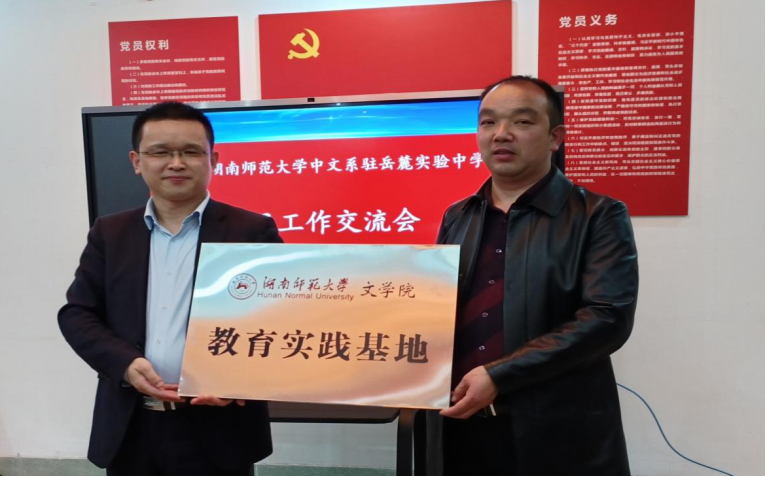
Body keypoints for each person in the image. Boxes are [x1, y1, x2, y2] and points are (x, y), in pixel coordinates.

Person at [59, 102, 282, 476]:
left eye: (191, 152)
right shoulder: (110, 233)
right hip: (131, 424)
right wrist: (125, 364)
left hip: (219, 426)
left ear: (213, 160)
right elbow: (78, 314)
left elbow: (282, 319)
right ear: (137, 161)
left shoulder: (252, 231)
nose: (176, 163)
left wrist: (237, 380)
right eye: (160, 152)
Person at [431, 76, 638, 475]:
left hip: (557, 429)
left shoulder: (598, 215)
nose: (501, 134)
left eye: (522, 122)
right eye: (488, 122)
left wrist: (499, 375)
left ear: (555, 137)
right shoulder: (458, 215)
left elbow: (607, 319)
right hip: (462, 422)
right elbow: (436, 308)